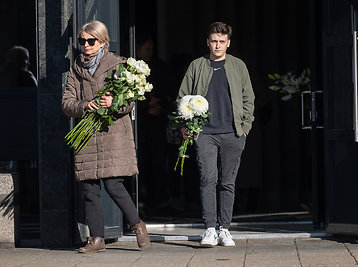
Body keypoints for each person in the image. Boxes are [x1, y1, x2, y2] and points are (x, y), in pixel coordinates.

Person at [62, 20, 150, 253]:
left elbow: (130, 102)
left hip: (112, 135)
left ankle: (137, 225)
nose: (86, 46)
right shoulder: (75, 68)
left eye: (91, 41)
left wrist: (114, 102)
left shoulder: (118, 65)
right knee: (89, 190)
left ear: (103, 42)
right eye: (82, 41)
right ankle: (96, 239)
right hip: (87, 137)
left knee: (114, 185)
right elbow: (66, 103)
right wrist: (84, 105)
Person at [177, 22, 255, 247]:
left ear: (228, 43)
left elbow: (249, 97)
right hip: (205, 133)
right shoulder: (197, 65)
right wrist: (185, 123)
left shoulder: (238, 66)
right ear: (207, 42)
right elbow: (183, 96)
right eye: (214, 41)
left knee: (228, 182)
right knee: (207, 179)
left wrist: (245, 127)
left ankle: (225, 229)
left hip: (233, 132)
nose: (218, 45)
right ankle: (209, 228)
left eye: (222, 41)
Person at [135, 33, 173, 214]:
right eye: (147, 49)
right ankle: (141, 199)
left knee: (159, 161)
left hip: (157, 122)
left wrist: (158, 105)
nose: (150, 52)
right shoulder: (131, 68)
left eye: (152, 49)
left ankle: (161, 200)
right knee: (140, 160)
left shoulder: (160, 68)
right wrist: (145, 106)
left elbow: (169, 92)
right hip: (140, 124)